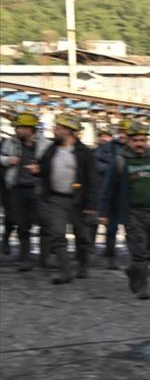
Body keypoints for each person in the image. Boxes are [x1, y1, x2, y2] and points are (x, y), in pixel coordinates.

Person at [98, 121, 150, 299]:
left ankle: (133, 270)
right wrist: (103, 212)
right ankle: (143, 287)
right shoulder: (120, 161)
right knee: (139, 251)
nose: (140, 144)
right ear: (128, 141)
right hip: (132, 213)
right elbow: (108, 188)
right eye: (136, 140)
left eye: (143, 140)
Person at [37, 113, 99, 284]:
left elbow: (93, 181)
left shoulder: (84, 153)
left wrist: (91, 205)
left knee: (82, 236)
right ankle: (65, 271)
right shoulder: (52, 148)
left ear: (68, 131)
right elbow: (43, 167)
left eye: (58, 128)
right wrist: (38, 170)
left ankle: (82, 265)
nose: (54, 130)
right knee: (57, 234)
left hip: (79, 201)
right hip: (56, 198)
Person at [0, 112, 50, 270]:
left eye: (21, 128)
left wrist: (40, 168)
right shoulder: (10, 142)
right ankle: (25, 259)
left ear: (30, 129)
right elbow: (0, 157)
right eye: (17, 128)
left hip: (38, 189)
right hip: (17, 188)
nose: (17, 131)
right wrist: (9, 160)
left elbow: (51, 165)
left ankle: (44, 258)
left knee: (44, 223)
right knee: (22, 225)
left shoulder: (45, 145)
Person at [93, 124, 126, 269]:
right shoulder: (107, 148)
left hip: (128, 195)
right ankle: (110, 256)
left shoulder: (136, 148)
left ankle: (136, 257)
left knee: (132, 227)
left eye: (126, 133)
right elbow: (97, 164)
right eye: (121, 132)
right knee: (111, 228)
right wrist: (113, 170)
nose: (124, 135)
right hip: (112, 193)